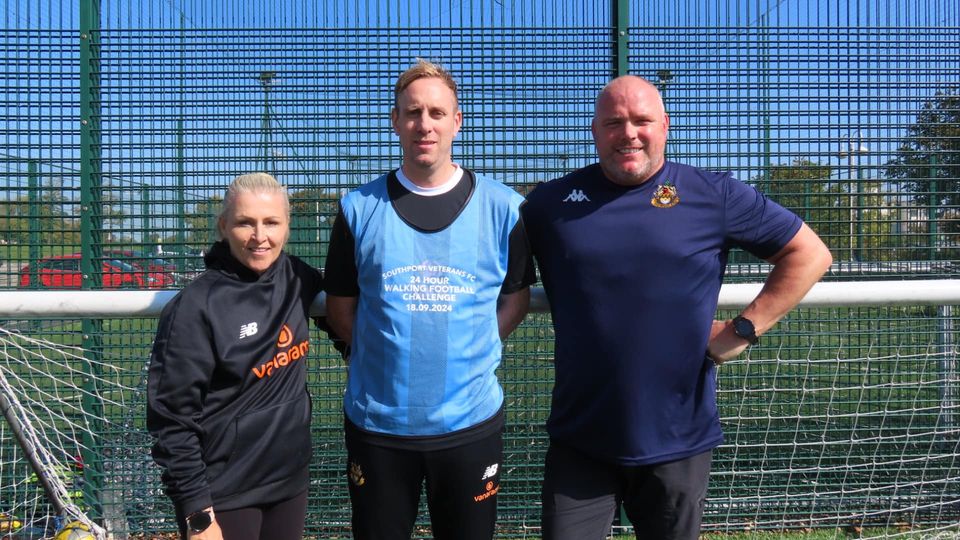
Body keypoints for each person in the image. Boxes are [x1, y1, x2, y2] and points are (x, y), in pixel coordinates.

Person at [522, 75, 833, 540]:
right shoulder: (549, 204)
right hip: (581, 438)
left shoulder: (714, 195)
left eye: (642, 120)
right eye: (613, 122)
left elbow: (810, 253)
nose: (628, 133)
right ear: (594, 131)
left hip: (678, 439)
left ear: (665, 125)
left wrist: (744, 330)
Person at [323, 59, 535, 540]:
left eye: (437, 112)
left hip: (470, 424)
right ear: (395, 121)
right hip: (378, 427)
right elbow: (340, 309)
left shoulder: (505, 207)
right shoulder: (357, 209)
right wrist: (383, 354)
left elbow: (516, 299)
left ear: (457, 121)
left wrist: (471, 346)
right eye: (413, 112)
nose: (425, 124)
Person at [147, 173, 323, 540]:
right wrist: (196, 512)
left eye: (271, 222)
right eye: (246, 223)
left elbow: (342, 317)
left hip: (290, 482)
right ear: (224, 226)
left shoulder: (297, 277)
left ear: (287, 226)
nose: (260, 237)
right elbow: (171, 419)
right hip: (225, 492)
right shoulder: (197, 306)